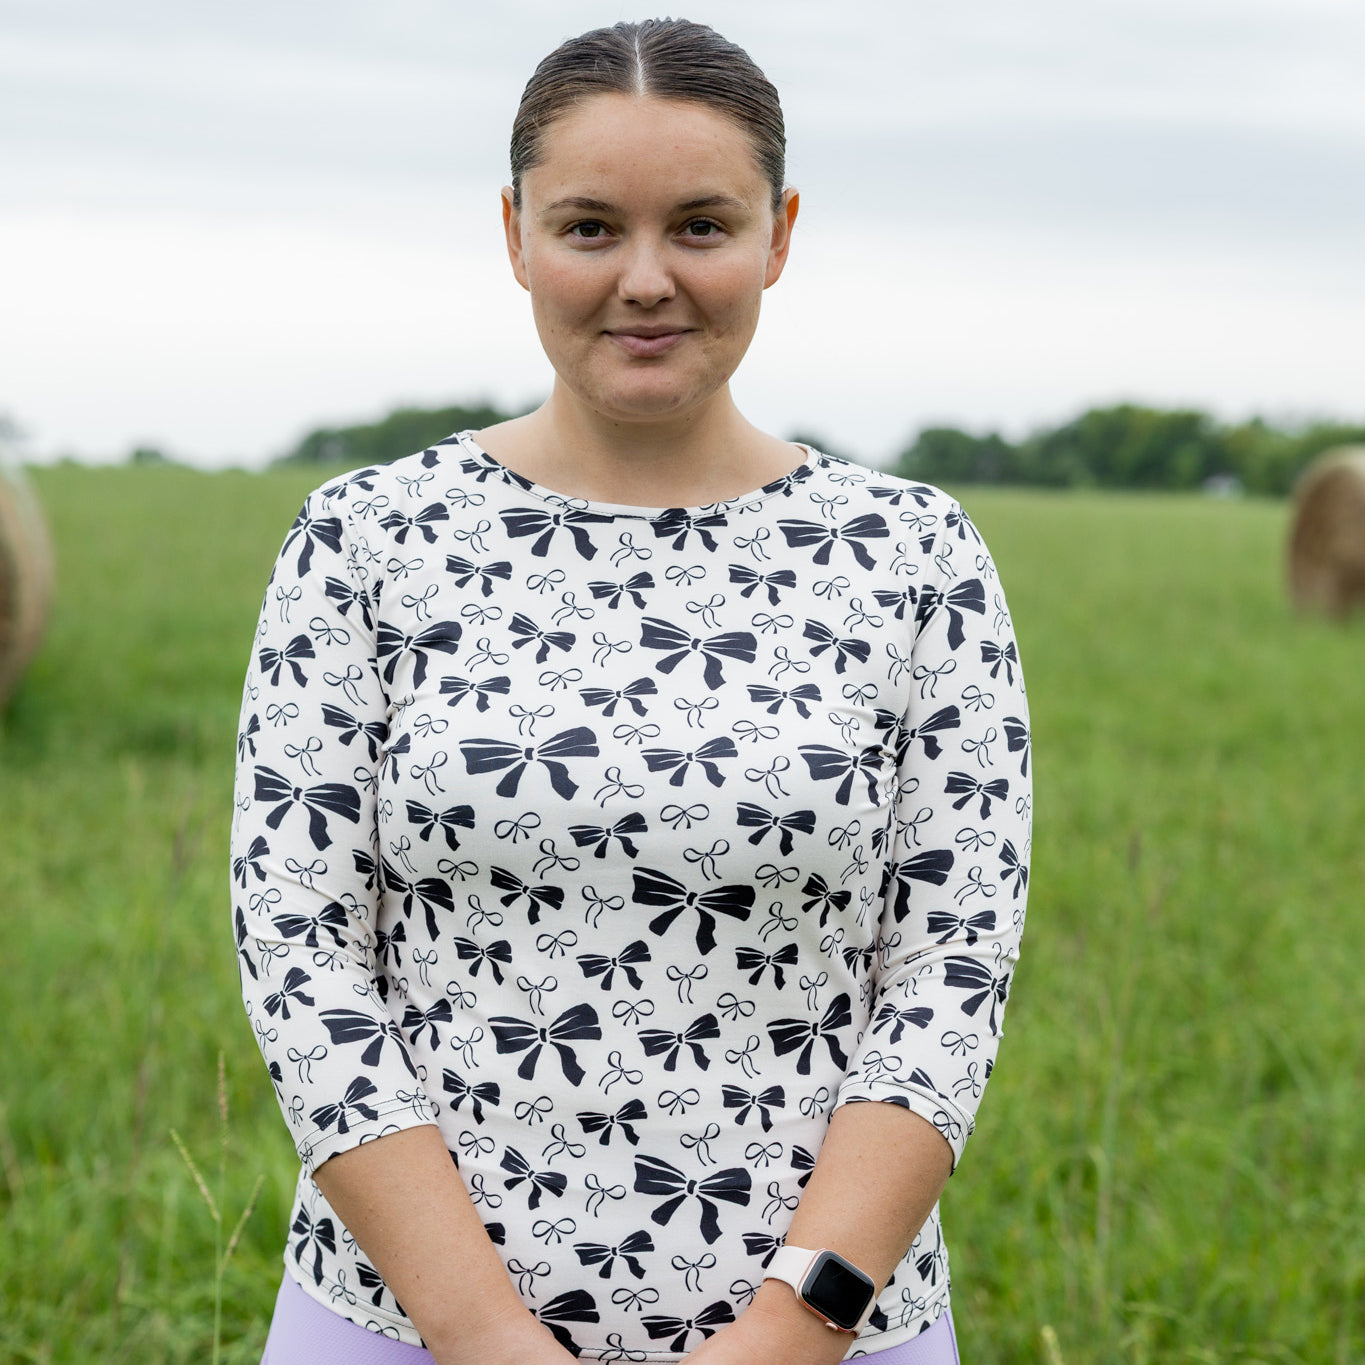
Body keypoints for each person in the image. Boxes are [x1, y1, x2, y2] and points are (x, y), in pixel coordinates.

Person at [232, 18, 1031, 1365]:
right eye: (591, 227)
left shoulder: (916, 556)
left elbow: (947, 979)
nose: (646, 280)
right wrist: (482, 1335)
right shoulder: (364, 538)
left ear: (779, 235)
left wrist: (792, 1330)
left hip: (835, 1340)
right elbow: (300, 953)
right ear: (514, 235)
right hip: (397, 1329)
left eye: (702, 228)